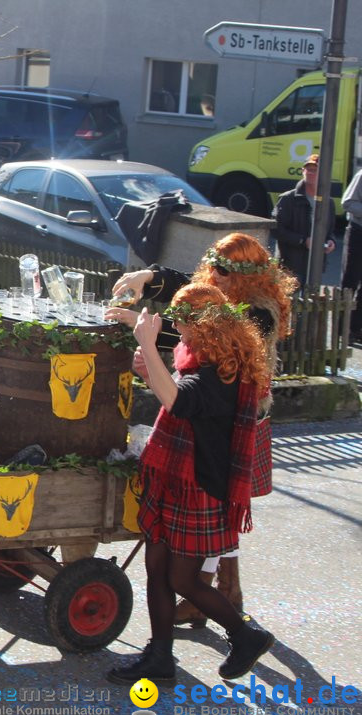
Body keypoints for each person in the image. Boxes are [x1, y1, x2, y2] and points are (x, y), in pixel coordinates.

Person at [108, 232, 296, 625]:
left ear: (248, 276)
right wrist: (149, 276)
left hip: (238, 418)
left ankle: (212, 594)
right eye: (213, 267)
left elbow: (206, 334)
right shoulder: (223, 286)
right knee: (214, 509)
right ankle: (223, 588)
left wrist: (148, 331)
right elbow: (191, 292)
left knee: (215, 505)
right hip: (210, 405)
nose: (215, 277)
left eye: (224, 271)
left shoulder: (259, 314)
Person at [107, 283, 275, 685]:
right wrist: (152, 372)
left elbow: (182, 402)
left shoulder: (225, 373)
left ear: (206, 330)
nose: (180, 336)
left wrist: (148, 346)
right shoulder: (204, 358)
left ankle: (246, 636)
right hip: (174, 477)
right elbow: (180, 399)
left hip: (198, 486)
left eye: (184, 329)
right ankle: (160, 656)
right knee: (155, 566)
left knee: (182, 579)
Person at [271, 153, 335, 284]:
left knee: (310, 302)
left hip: (315, 265)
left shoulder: (328, 202)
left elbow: (329, 231)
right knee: (289, 302)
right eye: (308, 169)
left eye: (315, 170)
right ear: (302, 171)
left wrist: (330, 241)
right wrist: (302, 241)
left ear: (323, 174)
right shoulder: (288, 199)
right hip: (291, 265)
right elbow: (276, 229)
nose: (311, 173)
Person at [341, 166, 362, 344]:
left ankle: (356, 328)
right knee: (350, 281)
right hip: (358, 232)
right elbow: (347, 202)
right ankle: (343, 329)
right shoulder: (361, 175)